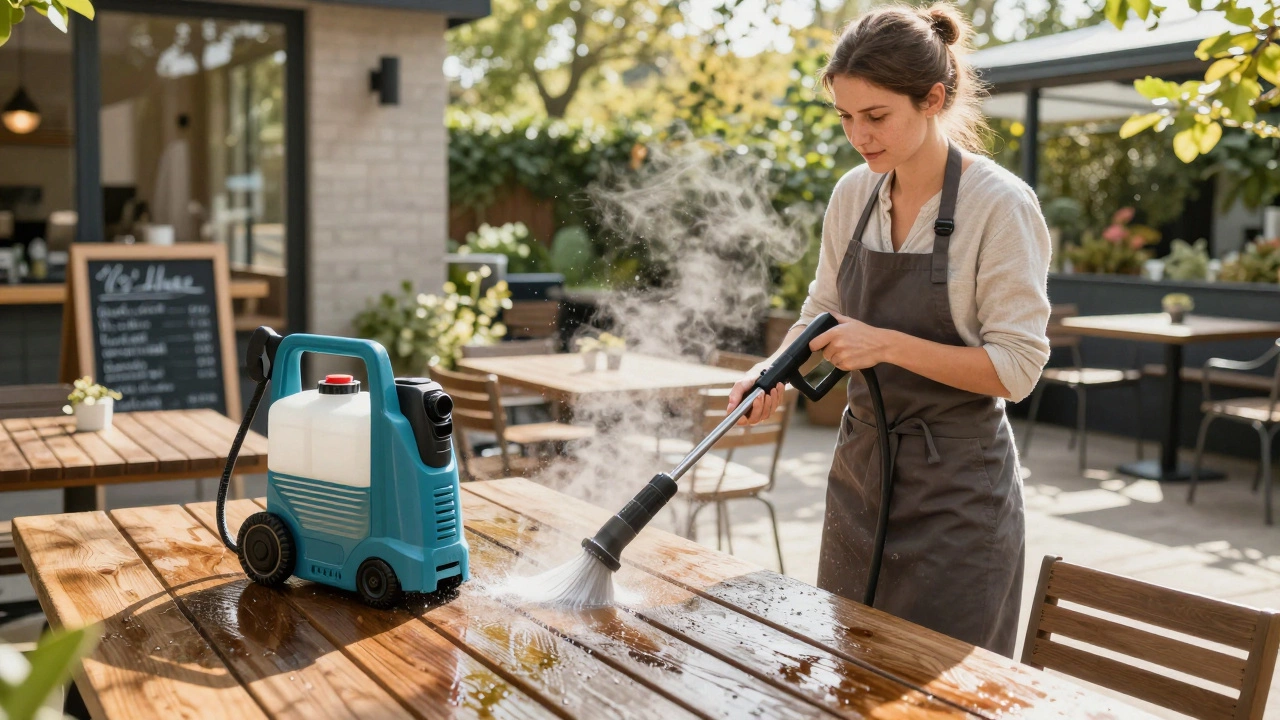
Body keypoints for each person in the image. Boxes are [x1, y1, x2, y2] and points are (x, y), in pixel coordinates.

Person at [726, 2, 1051, 657]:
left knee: (939, 693)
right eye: (845, 117)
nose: (859, 136)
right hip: (860, 479)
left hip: (958, 497)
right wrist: (774, 372)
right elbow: (822, 308)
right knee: (846, 671)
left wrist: (883, 344)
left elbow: (1017, 370)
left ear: (932, 99)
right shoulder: (854, 193)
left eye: (876, 117)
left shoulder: (1000, 205)